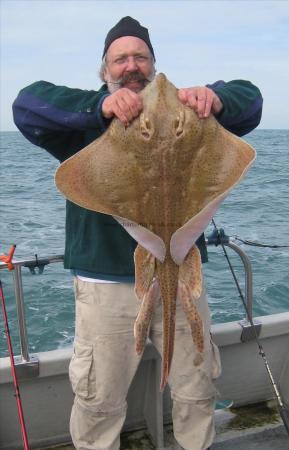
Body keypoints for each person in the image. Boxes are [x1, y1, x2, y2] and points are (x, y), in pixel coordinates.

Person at [12, 16, 263, 450]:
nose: (132, 65)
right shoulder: (86, 123)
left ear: (153, 63)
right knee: (99, 399)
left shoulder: (194, 114)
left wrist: (216, 99)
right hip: (106, 289)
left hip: (184, 273)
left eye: (141, 57)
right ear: (105, 70)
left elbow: (251, 99)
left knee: (197, 387)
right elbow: (26, 104)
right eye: (120, 58)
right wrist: (100, 109)